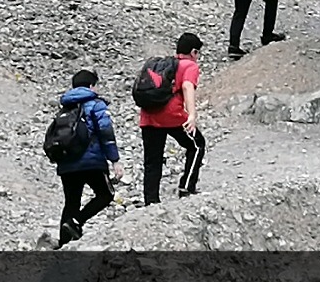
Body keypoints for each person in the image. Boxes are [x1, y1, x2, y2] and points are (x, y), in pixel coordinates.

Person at [54, 70, 123, 246]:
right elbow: (106, 132)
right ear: (92, 85)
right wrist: (114, 159)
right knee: (106, 194)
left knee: (71, 202)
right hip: (92, 162)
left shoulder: (65, 107)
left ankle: (63, 245)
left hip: (67, 163)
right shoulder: (96, 104)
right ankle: (77, 221)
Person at [140, 32, 206, 204]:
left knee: (152, 161)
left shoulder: (162, 65)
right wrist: (191, 114)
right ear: (193, 52)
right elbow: (187, 86)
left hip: (148, 116)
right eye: (197, 53)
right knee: (197, 145)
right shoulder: (189, 66)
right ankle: (187, 186)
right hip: (172, 116)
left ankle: (151, 200)